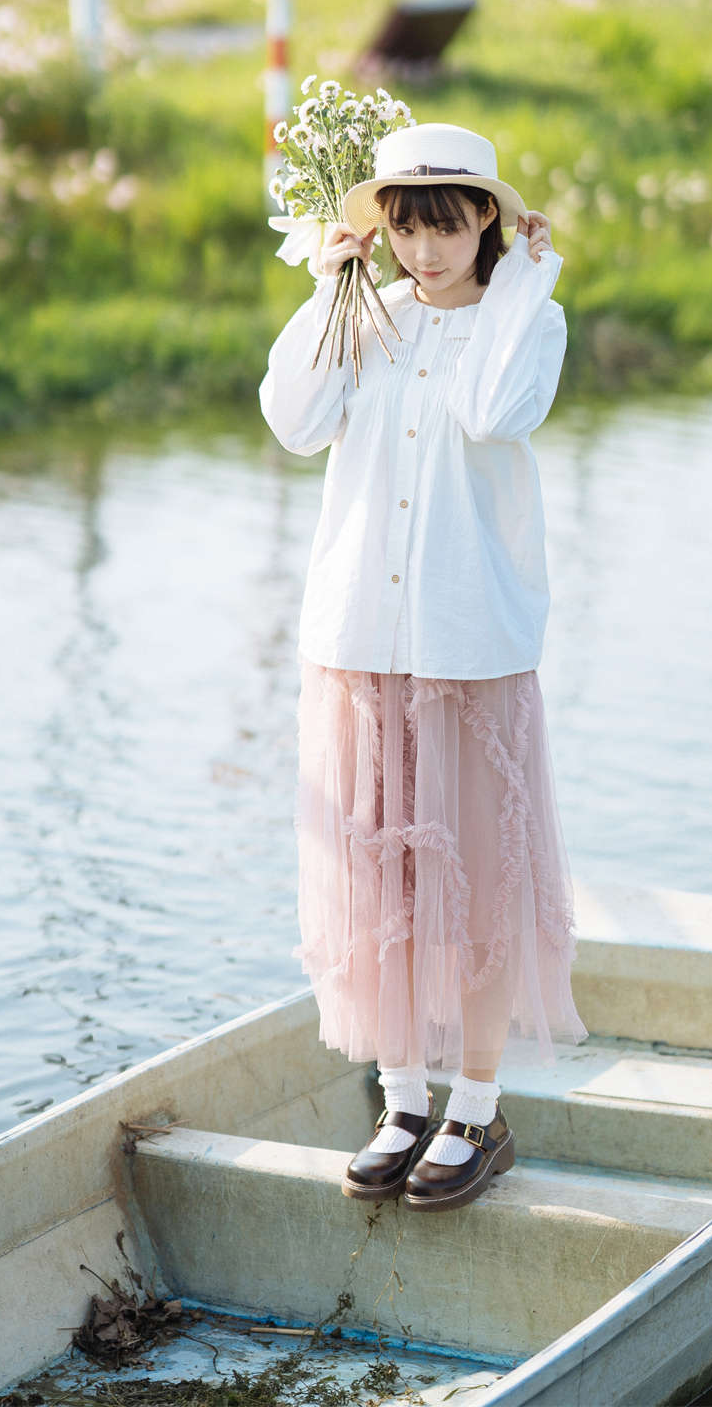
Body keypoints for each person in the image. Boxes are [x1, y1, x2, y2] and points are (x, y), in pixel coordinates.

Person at [259, 121, 587, 1215]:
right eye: (405, 226)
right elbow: (294, 422)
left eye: (445, 224)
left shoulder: (523, 321)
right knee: (378, 880)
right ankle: (402, 1098)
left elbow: (496, 410)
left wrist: (528, 282)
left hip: (467, 645)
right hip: (360, 641)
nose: (424, 250)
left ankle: (478, 1111)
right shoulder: (370, 315)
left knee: (483, 883)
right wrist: (329, 288)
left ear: (486, 217)